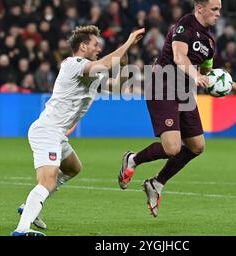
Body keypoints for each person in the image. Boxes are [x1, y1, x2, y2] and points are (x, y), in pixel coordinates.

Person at [118, 0, 236, 217]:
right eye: (214, 9)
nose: (218, 14)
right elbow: (179, 56)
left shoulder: (210, 41)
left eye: (220, 10)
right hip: (163, 85)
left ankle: (157, 184)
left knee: (197, 146)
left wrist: (234, 86)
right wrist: (195, 76)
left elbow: (209, 74)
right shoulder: (184, 26)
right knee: (172, 148)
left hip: (183, 91)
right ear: (200, 8)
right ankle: (132, 159)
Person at [11, 25, 145, 236]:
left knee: (73, 167)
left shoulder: (90, 73)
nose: (98, 47)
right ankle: (22, 229)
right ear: (83, 47)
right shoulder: (73, 64)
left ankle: (30, 206)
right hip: (47, 131)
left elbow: (118, 87)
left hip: (57, 134)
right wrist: (127, 42)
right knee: (47, 180)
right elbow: (104, 64)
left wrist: (125, 61)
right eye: (95, 44)